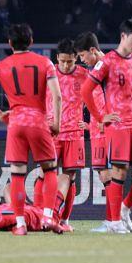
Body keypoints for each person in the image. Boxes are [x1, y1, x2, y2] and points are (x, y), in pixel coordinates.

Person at [0, 23, 63, 235]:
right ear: (31, 42)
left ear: (9, 43)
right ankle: (49, 218)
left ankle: (21, 224)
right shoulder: (45, 62)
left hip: (15, 123)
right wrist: (57, 124)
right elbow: (57, 95)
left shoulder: (3, 64)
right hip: (38, 121)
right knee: (50, 170)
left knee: (17, 176)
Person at [81, 18, 132, 234]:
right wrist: (100, 116)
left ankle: (124, 209)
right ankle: (114, 223)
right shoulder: (107, 62)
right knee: (119, 172)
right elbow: (86, 90)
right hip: (119, 125)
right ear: (123, 36)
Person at [74, 31, 115, 233]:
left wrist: (101, 118)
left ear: (92, 50)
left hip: (105, 129)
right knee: (105, 175)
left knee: (109, 176)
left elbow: (113, 95)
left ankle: (113, 220)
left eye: (82, 56)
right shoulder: (100, 67)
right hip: (98, 128)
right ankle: (119, 218)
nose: (82, 60)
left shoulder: (104, 65)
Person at [52, 38, 88, 233]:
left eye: (70, 61)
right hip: (53, 132)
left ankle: (64, 219)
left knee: (70, 176)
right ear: (57, 57)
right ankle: (46, 215)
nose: (66, 65)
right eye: (63, 61)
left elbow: (97, 100)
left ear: (76, 59)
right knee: (46, 175)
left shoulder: (84, 75)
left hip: (74, 133)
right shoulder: (48, 74)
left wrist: (91, 124)